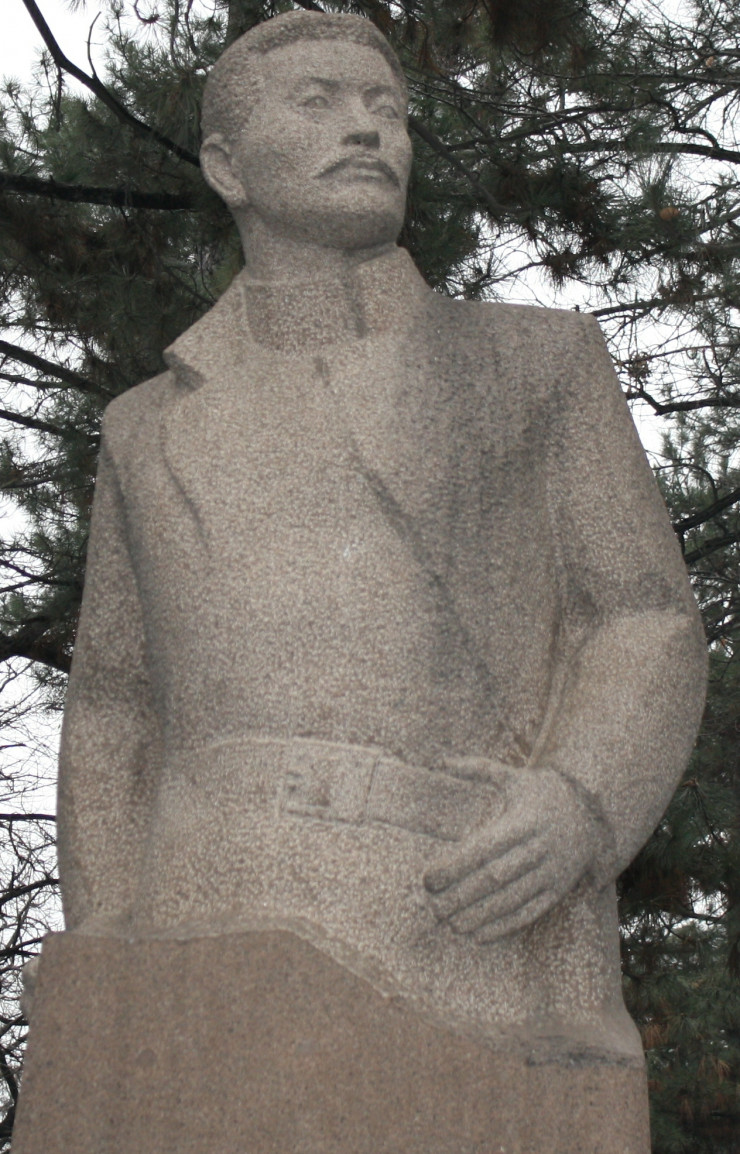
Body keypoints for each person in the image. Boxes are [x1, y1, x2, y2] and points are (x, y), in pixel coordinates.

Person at [56, 10, 706, 1054]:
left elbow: (641, 615)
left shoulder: (533, 363)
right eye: (316, 102)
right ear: (226, 165)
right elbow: (113, 702)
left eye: (386, 109)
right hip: (196, 919)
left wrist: (582, 802)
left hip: (461, 908)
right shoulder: (145, 426)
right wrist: (103, 937)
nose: (365, 128)